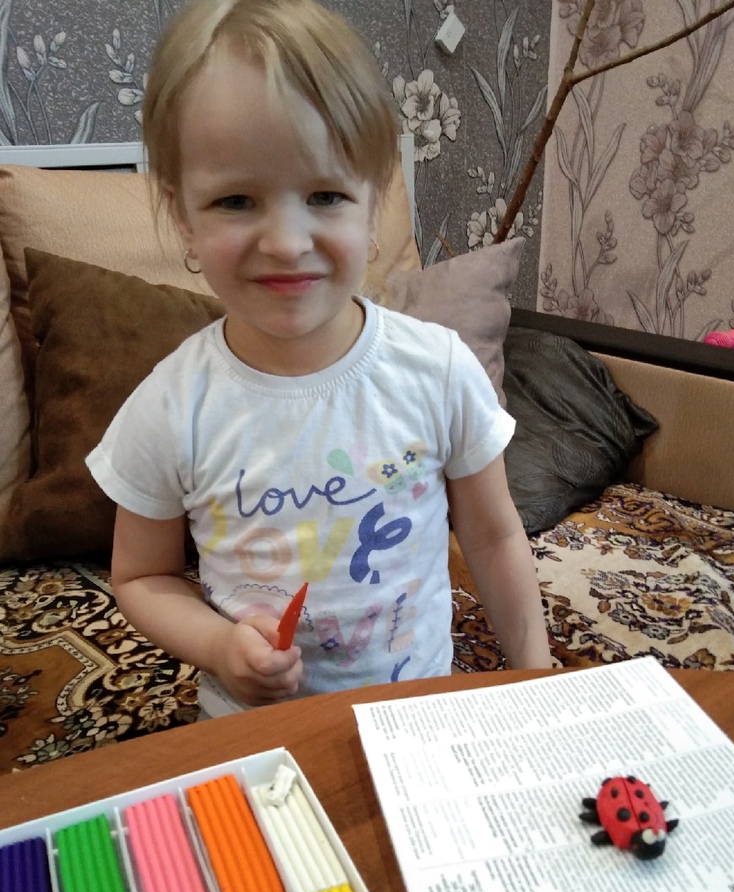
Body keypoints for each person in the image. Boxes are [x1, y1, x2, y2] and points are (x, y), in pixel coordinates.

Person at [86, 0, 553, 718]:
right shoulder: (171, 405)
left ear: (375, 201)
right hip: (256, 735)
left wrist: (538, 679)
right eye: (236, 201)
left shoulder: (438, 371)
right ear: (182, 216)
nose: (285, 242)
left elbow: (493, 538)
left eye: (325, 195)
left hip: (418, 720)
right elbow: (142, 577)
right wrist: (219, 646)